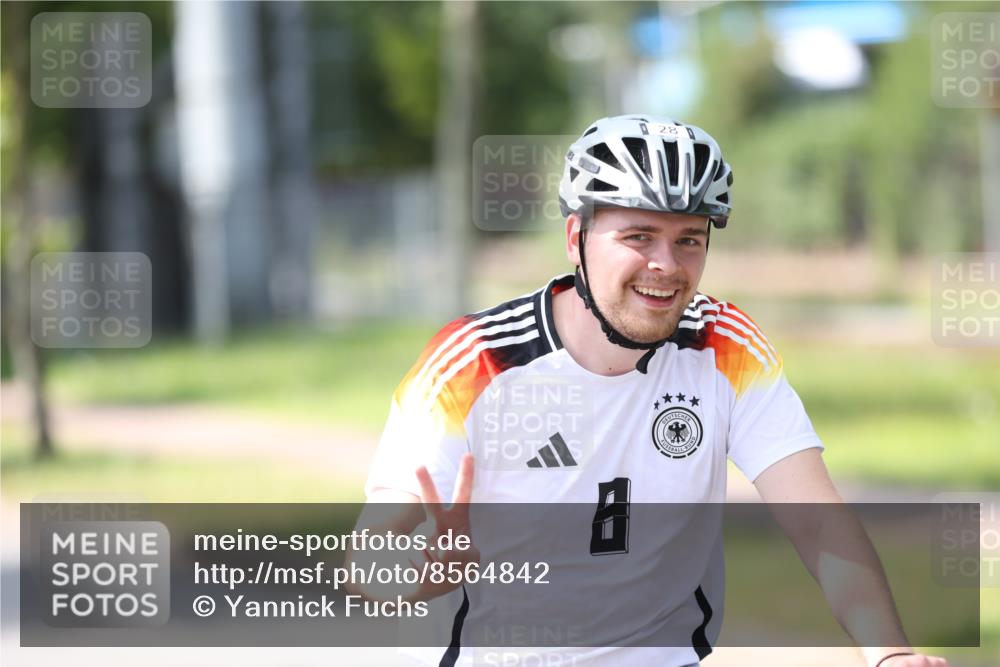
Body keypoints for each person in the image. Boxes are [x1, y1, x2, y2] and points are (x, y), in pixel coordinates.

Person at [356, 115, 950, 667]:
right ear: (576, 238)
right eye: (639, 235)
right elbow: (367, 556)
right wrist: (413, 575)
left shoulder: (725, 345)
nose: (666, 265)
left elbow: (819, 525)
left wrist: (889, 652)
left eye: (689, 239)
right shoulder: (476, 359)